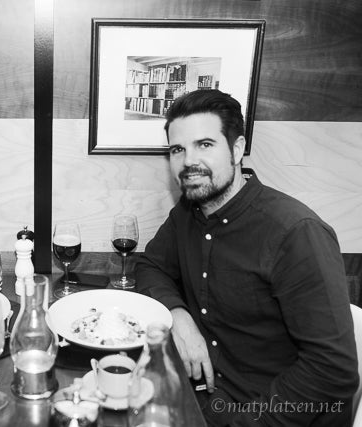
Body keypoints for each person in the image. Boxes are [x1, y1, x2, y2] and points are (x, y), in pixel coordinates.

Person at [135, 89, 358, 426]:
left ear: (237, 149)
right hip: (201, 399)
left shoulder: (297, 233)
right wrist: (178, 316)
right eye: (178, 149)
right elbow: (152, 266)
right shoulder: (189, 211)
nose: (189, 161)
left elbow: (332, 371)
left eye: (204, 144)